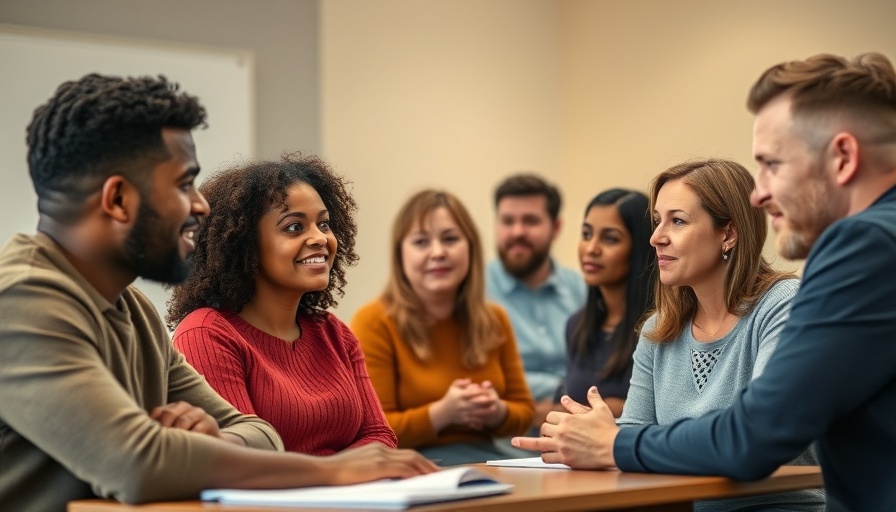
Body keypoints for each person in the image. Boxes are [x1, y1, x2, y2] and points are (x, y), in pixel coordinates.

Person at [0, 73, 435, 511]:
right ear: (117, 200)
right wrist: (335, 471)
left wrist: (213, 442)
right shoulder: (20, 301)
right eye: (182, 184)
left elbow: (261, 435)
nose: (200, 205)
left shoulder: (133, 310)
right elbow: (138, 464)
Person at [514, 53, 896, 510]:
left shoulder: (864, 244)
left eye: (773, 164)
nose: (761, 192)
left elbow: (757, 434)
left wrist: (612, 445)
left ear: (844, 157)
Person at [167, 154, 397, 455]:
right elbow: (241, 459)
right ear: (244, 245)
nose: (320, 238)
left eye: (324, 224)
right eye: (294, 228)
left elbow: (380, 434)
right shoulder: (206, 334)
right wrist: (339, 472)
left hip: (350, 498)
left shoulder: (335, 334)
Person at [351, 189, 535, 466]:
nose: (438, 253)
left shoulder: (495, 319)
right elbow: (374, 431)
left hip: (492, 459)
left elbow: (524, 413)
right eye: (421, 242)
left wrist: (497, 412)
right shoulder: (374, 321)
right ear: (400, 254)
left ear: (470, 248)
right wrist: (442, 413)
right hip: (413, 465)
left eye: (450, 239)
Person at [486, 174, 586, 429]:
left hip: (577, 441)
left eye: (530, 220)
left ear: (556, 228)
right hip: (499, 447)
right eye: (508, 221)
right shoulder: (473, 291)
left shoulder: (583, 289)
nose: (517, 231)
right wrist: (559, 394)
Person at [564, 189, 655, 417]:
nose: (591, 249)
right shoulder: (576, 325)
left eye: (610, 239)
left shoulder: (660, 328)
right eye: (586, 234)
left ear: (640, 249)